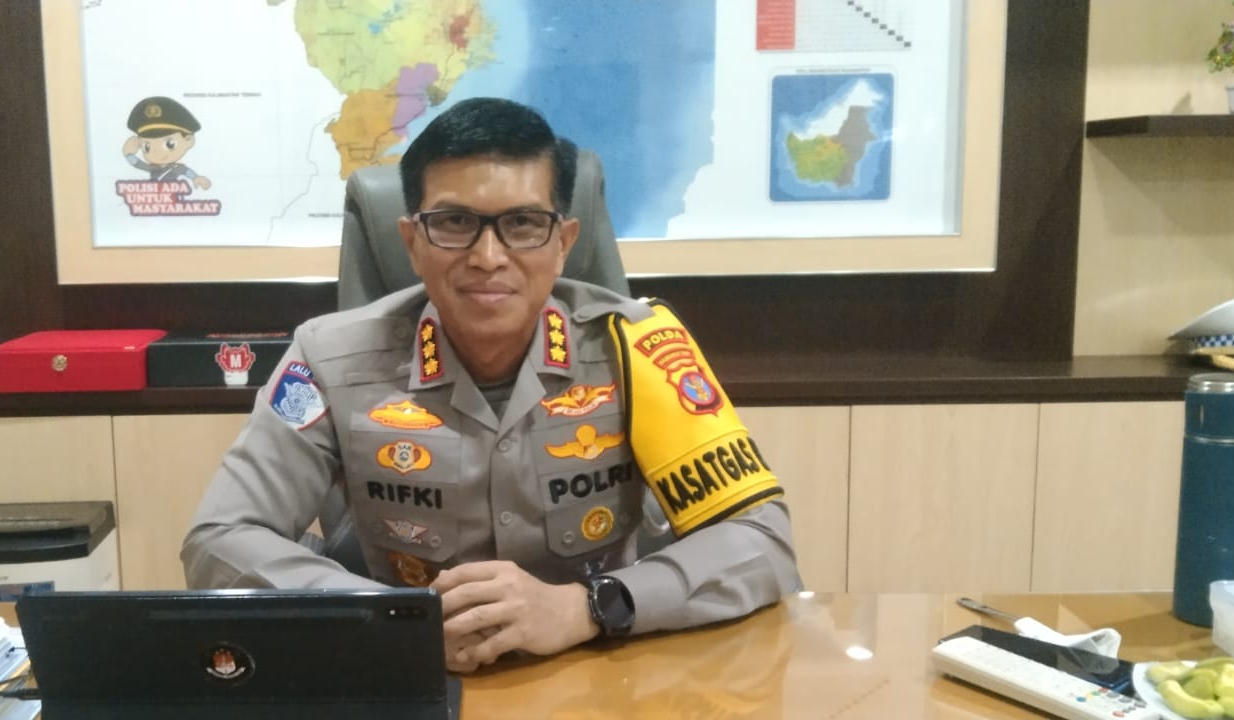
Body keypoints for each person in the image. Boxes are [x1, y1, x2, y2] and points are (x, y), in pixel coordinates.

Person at [181, 97, 799, 673]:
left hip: (601, 669)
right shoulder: (328, 358)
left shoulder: (639, 349)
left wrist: (589, 606)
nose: (487, 256)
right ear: (412, 242)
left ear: (563, 243)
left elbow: (761, 538)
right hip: (411, 674)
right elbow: (220, 540)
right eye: (454, 222)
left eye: (523, 223)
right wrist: (397, 621)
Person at [121, 96, 213, 190]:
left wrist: (196, 178)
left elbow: (187, 172)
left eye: (169, 144)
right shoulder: (152, 168)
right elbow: (138, 164)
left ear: (188, 140)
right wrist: (128, 154)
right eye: (147, 147)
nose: (156, 152)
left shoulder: (178, 168)